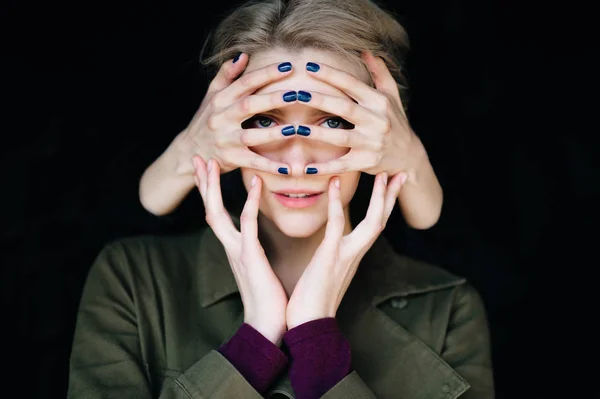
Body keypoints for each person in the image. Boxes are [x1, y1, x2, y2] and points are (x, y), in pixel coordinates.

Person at [68, 0, 494, 398]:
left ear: (382, 132)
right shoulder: (133, 279)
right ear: (225, 130)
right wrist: (254, 341)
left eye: (333, 120)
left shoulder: (449, 309)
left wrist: (316, 339)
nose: (296, 157)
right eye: (264, 120)